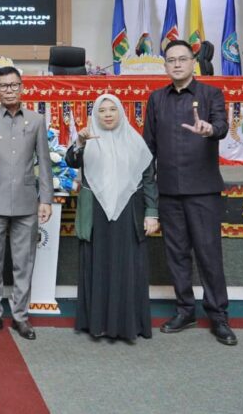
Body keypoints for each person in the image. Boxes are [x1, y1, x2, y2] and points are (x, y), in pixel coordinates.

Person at [144, 39, 237, 345]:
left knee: (209, 255)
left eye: (182, 59)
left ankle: (218, 316)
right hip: (169, 191)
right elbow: (148, 147)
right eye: (171, 60)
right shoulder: (156, 99)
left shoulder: (211, 94)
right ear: (165, 66)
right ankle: (185, 310)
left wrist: (210, 129)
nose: (177, 64)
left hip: (203, 191)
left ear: (193, 63)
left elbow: (221, 126)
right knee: (177, 256)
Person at [0, 66, 54, 341]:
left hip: (27, 202)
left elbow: (45, 162)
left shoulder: (36, 120)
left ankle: (20, 317)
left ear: (22, 87)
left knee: (23, 263)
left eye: (14, 85)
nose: (9, 90)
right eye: (3, 86)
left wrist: (46, 199)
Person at [66, 93, 159, 342]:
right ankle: (97, 324)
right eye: (102, 110)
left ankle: (128, 325)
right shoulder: (88, 140)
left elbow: (148, 179)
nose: (107, 114)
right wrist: (80, 142)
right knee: (98, 265)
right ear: (95, 115)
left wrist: (151, 213)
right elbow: (71, 161)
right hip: (95, 212)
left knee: (127, 266)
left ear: (121, 112)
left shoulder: (135, 141)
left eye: (112, 109)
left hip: (129, 211)